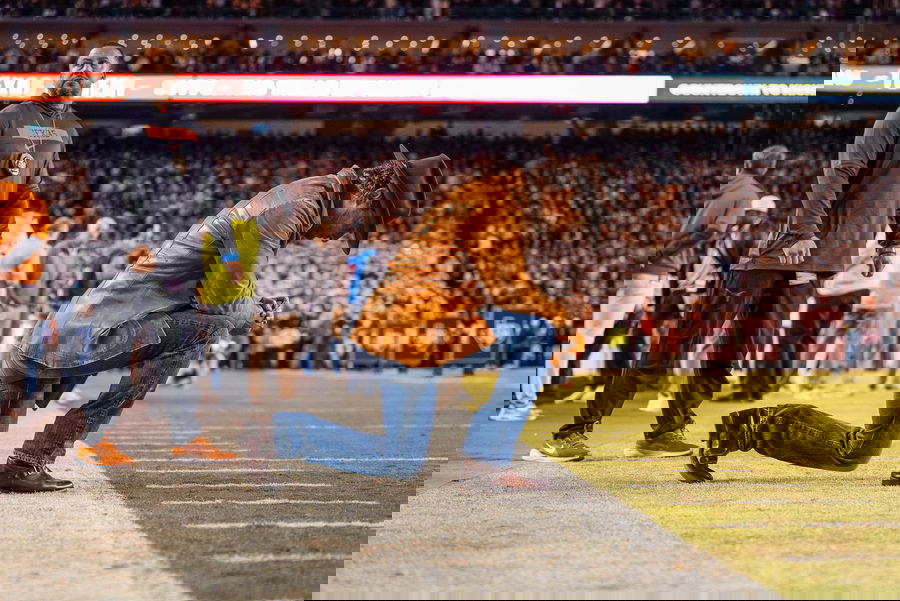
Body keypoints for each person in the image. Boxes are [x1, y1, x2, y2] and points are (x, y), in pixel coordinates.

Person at [0, 150, 448, 492]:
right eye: (359, 223)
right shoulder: (290, 211)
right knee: (198, 336)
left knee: (182, 346)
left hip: (101, 323)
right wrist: (251, 313)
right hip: (101, 328)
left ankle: (29, 459)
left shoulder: (299, 197)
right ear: (359, 202)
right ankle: (28, 460)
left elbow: (220, 283)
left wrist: (249, 306)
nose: (342, 236)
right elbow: (218, 300)